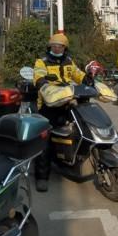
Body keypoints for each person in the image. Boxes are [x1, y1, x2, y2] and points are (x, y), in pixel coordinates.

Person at [33, 33, 85, 192]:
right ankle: (42, 177)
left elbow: (78, 75)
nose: (56, 48)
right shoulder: (42, 61)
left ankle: (73, 161)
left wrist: (87, 79)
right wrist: (43, 82)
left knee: (80, 129)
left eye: (60, 46)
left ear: (65, 48)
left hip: (67, 102)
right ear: (49, 47)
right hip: (48, 106)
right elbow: (38, 77)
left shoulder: (69, 61)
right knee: (45, 141)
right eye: (53, 45)